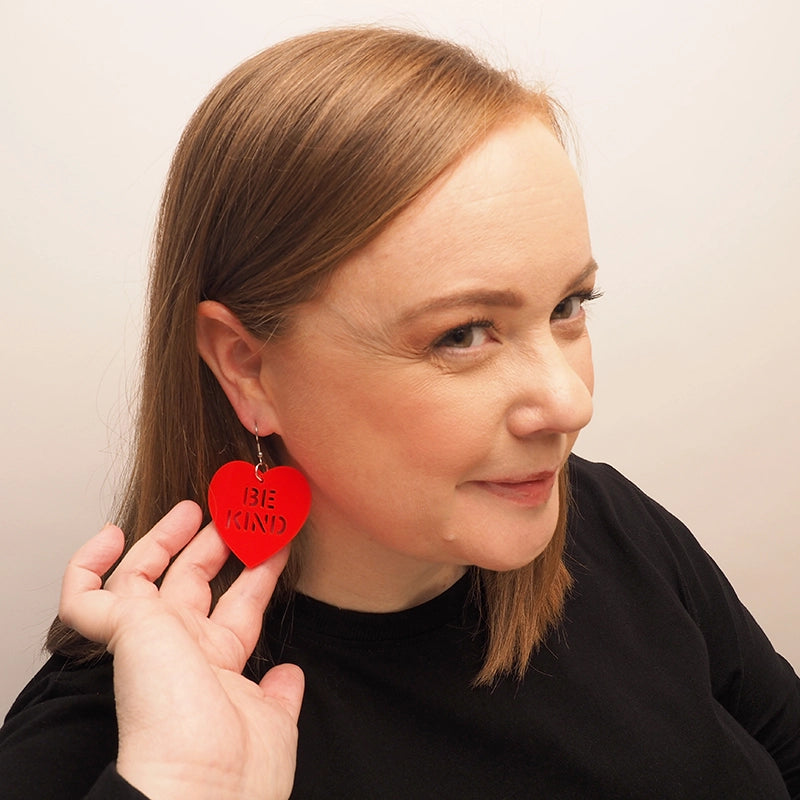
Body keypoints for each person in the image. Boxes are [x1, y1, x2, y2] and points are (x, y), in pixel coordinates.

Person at [0, 25, 798, 800]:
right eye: (462, 334)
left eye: (569, 305)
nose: (570, 401)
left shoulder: (614, 527)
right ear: (249, 368)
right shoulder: (111, 751)